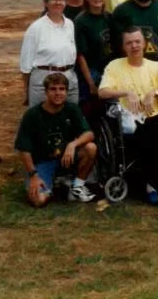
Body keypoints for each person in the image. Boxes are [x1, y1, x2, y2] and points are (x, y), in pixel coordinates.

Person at [98, 26, 158, 203]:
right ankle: (151, 184)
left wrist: (155, 92)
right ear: (124, 47)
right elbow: (102, 92)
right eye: (129, 43)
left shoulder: (155, 67)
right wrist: (126, 93)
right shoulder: (115, 66)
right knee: (150, 130)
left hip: (157, 116)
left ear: (145, 44)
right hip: (130, 118)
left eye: (137, 42)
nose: (134, 46)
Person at [15, 73, 97, 206]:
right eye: (53, 89)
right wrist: (33, 175)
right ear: (46, 92)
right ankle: (52, 186)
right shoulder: (32, 115)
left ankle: (76, 187)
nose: (58, 93)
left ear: (66, 91)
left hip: (66, 157)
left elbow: (89, 134)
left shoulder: (72, 109)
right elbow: (23, 149)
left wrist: (73, 144)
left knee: (90, 148)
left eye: (61, 89)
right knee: (38, 200)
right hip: (42, 162)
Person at [20, 0, 78, 107]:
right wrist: (27, 91)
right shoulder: (36, 28)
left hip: (68, 78)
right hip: (43, 81)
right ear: (46, 3)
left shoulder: (70, 25)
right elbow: (26, 65)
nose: (58, 2)